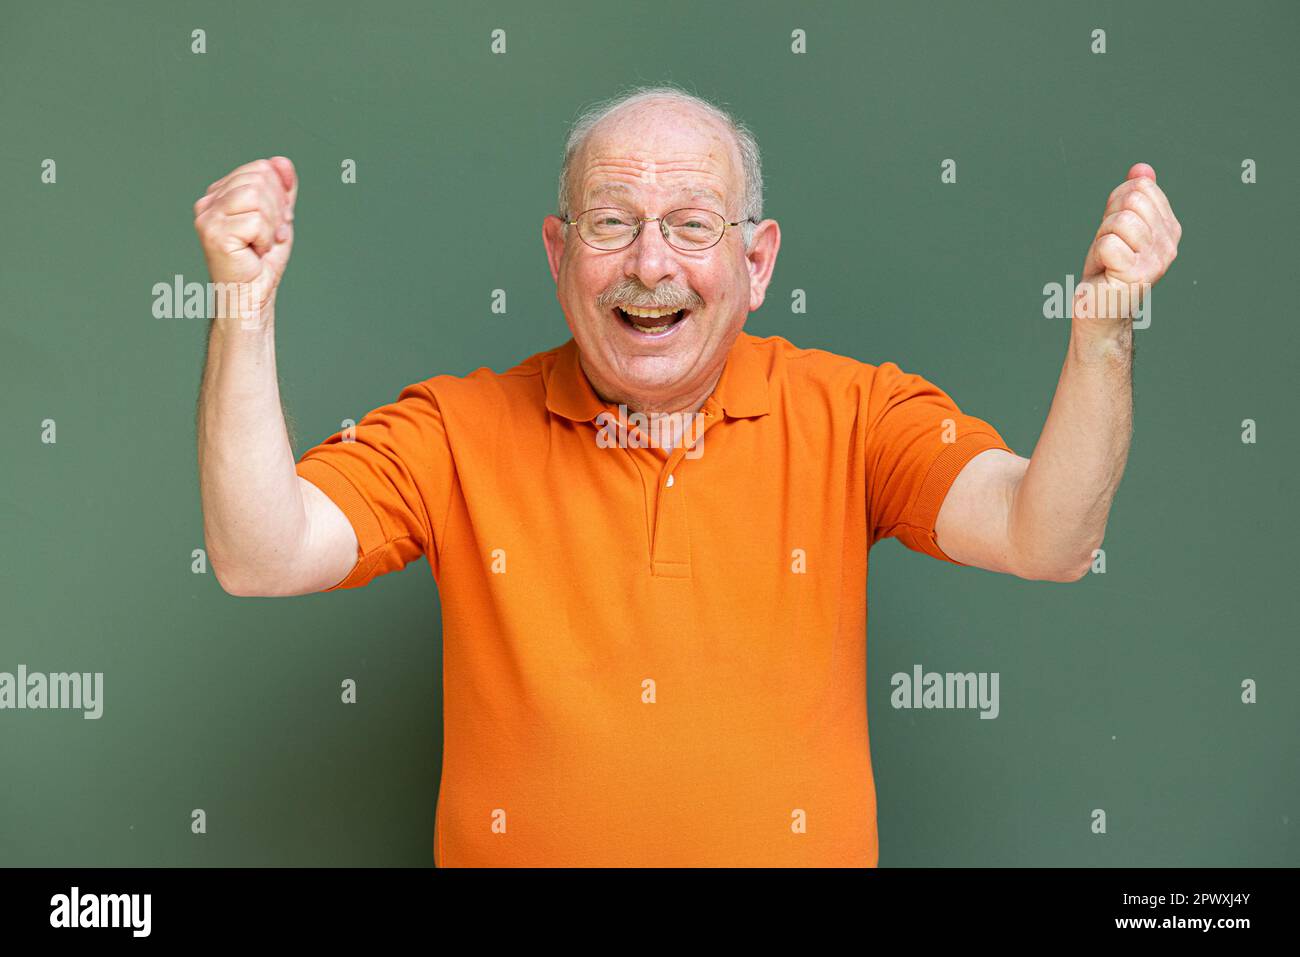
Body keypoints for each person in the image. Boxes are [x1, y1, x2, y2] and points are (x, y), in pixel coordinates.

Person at [193, 85, 1181, 866]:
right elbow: (257, 555)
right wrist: (242, 306)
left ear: (756, 261)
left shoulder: (857, 414)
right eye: (611, 223)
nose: (650, 264)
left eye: (693, 226)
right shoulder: (453, 429)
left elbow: (1046, 538)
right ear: (557, 251)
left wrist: (1101, 333)